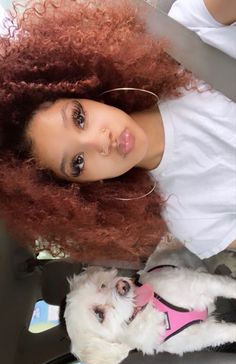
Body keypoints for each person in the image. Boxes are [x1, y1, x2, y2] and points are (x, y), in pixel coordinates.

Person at [0, 0, 235, 265]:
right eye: (78, 162)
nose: (100, 141)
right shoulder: (191, 219)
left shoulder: (182, 37)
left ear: (86, 93)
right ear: (83, 189)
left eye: (79, 118)